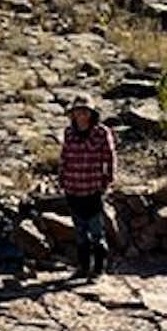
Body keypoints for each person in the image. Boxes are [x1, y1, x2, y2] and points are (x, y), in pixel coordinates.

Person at [58, 97, 117, 279]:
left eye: (85, 111)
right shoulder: (69, 133)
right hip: (73, 187)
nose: (82, 115)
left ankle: (98, 269)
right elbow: (64, 156)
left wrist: (107, 180)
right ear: (73, 114)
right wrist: (62, 178)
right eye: (78, 111)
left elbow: (109, 156)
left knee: (96, 232)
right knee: (80, 232)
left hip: (93, 188)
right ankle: (83, 267)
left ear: (92, 113)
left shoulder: (101, 132)